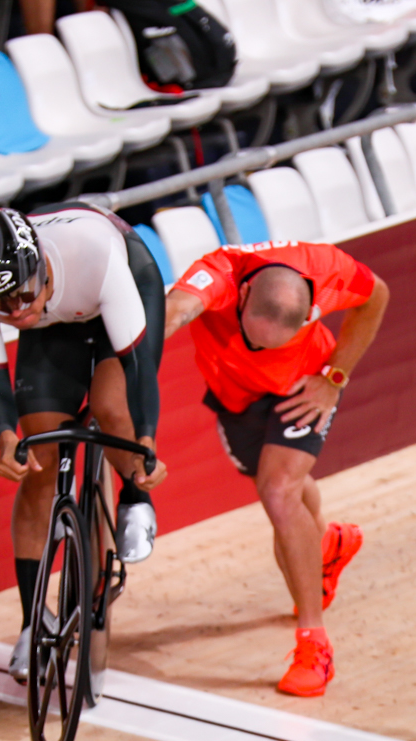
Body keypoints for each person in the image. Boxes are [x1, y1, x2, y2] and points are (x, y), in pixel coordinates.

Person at [162, 239, 388, 696]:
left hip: (305, 388)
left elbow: (377, 294)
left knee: (279, 491)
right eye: (250, 338)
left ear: (309, 315)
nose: (257, 347)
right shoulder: (221, 273)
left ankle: (314, 646)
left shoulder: (328, 270)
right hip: (234, 397)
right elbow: (174, 310)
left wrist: (335, 378)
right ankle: (326, 545)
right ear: (242, 299)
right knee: (283, 488)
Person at [0, 205, 169, 683]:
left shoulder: (92, 253)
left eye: (23, 294)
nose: (16, 312)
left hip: (116, 285)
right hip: (58, 323)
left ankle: (136, 497)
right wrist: (7, 440)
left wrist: (146, 441)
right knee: (37, 460)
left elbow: (138, 370)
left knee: (113, 408)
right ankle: (34, 622)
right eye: (2, 304)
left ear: (42, 268)